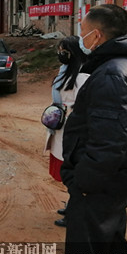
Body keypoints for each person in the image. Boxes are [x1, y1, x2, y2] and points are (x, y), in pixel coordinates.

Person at [61, 5, 127, 254]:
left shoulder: (111, 74)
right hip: (117, 178)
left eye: (83, 32)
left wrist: (85, 182)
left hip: (100, 185)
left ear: (97, 35)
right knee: (110, 247)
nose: (81, 39)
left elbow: (109, 141)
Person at [43, 36, 88, 227]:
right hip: (61, 129)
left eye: (64, 51)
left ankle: (75, 213)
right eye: (59, 51)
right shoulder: (65, 71)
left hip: (74, 131)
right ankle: (72, 206)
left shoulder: (84, 76)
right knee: (66, 171)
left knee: (74, 173)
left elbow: (84, 108)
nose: (60, 55)